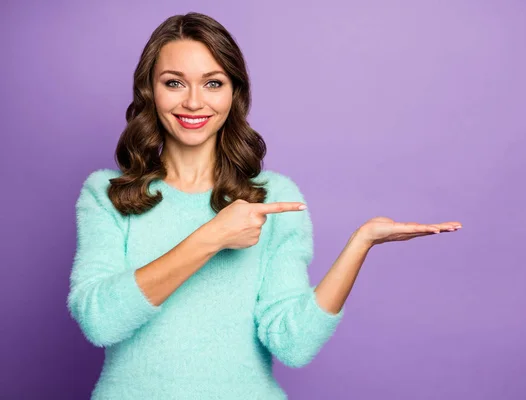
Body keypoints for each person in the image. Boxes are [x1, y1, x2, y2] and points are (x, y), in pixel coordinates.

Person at [67, 12, 462, 399]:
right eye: (174, 83)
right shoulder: (106, 194)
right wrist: (211, 237)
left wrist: (360, 243)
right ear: (150, 91)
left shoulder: (271, 197)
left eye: (213, 83)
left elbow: (293, 344)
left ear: (234, 92)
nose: (193, 101)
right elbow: (99, 322)